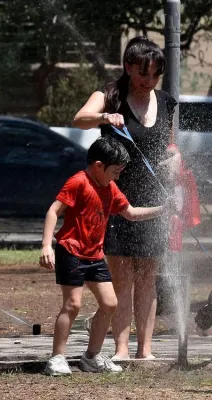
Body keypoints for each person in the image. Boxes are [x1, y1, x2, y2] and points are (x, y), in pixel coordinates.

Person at [73, 36, 180, 361]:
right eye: (143, 74)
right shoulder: (111, 96)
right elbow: (79, 119)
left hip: (154, 199)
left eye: (155, 76)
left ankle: (144, 351)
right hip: (116, 198)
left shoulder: (167, 102)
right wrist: (106, 117)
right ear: (129, 67)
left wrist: (174, 157)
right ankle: (120, 350)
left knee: (148, 277)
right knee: (121, 277)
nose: (149, 82)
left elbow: (171, 143)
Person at [39, 136, 169, 376]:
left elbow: (130, 213)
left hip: (94, 255)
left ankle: (91, 356)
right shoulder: (79, 182)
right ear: (98, 166)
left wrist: (163, 210)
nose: (117, 176)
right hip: (71, 250)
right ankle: (57, 358)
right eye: (115, 171)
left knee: (110, 303)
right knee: (73, 304)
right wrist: (47, 245)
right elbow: (53, 211)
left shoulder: (110, 187)